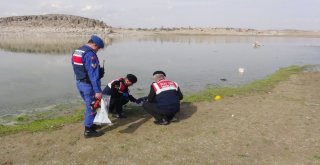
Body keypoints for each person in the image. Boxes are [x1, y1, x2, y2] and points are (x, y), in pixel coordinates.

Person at [71, 35, 105, 138]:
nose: (98, 50)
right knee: (92, 106)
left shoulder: (77, 51)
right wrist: (97, 91)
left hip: (80, 83)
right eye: (98, 48)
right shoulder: (90, 55)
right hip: (88, 85)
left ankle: (92, 124)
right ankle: (88, 130)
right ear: (94, 45)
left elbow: (75, 67)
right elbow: (93, 75)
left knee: (90, 105)